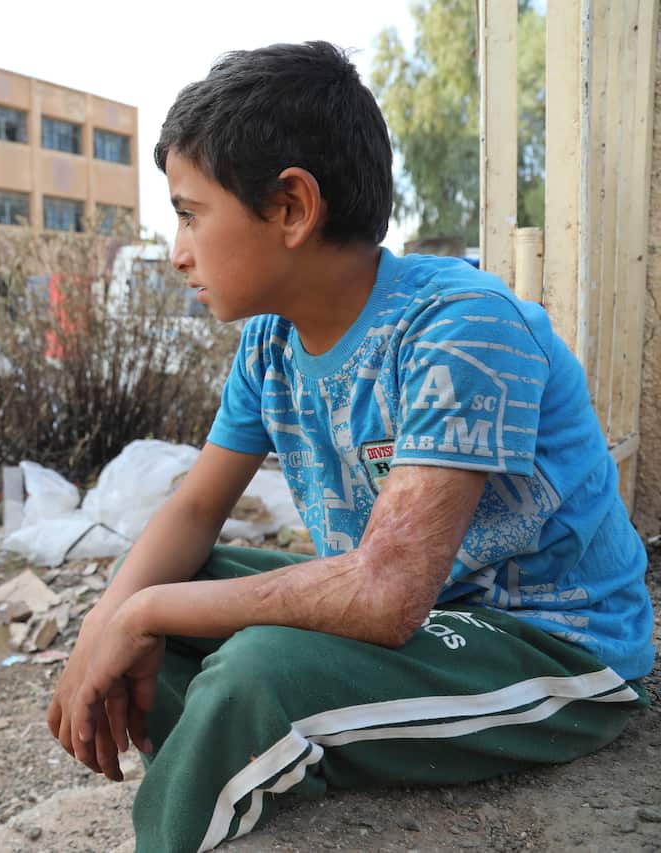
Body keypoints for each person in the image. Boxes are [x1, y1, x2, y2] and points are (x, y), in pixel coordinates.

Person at [47, 42, 654, 852]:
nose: (178, 249)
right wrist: (105, 620)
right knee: (174, 577)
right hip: (419, 623)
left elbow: (384, 593)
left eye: (191, 213)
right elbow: (196, 506)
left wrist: (143, 610)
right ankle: (238, 754)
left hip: (552, 650)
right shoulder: (269, 342)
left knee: (255, 667)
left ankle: (197, 803)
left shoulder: (460, 327)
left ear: (292, 208)